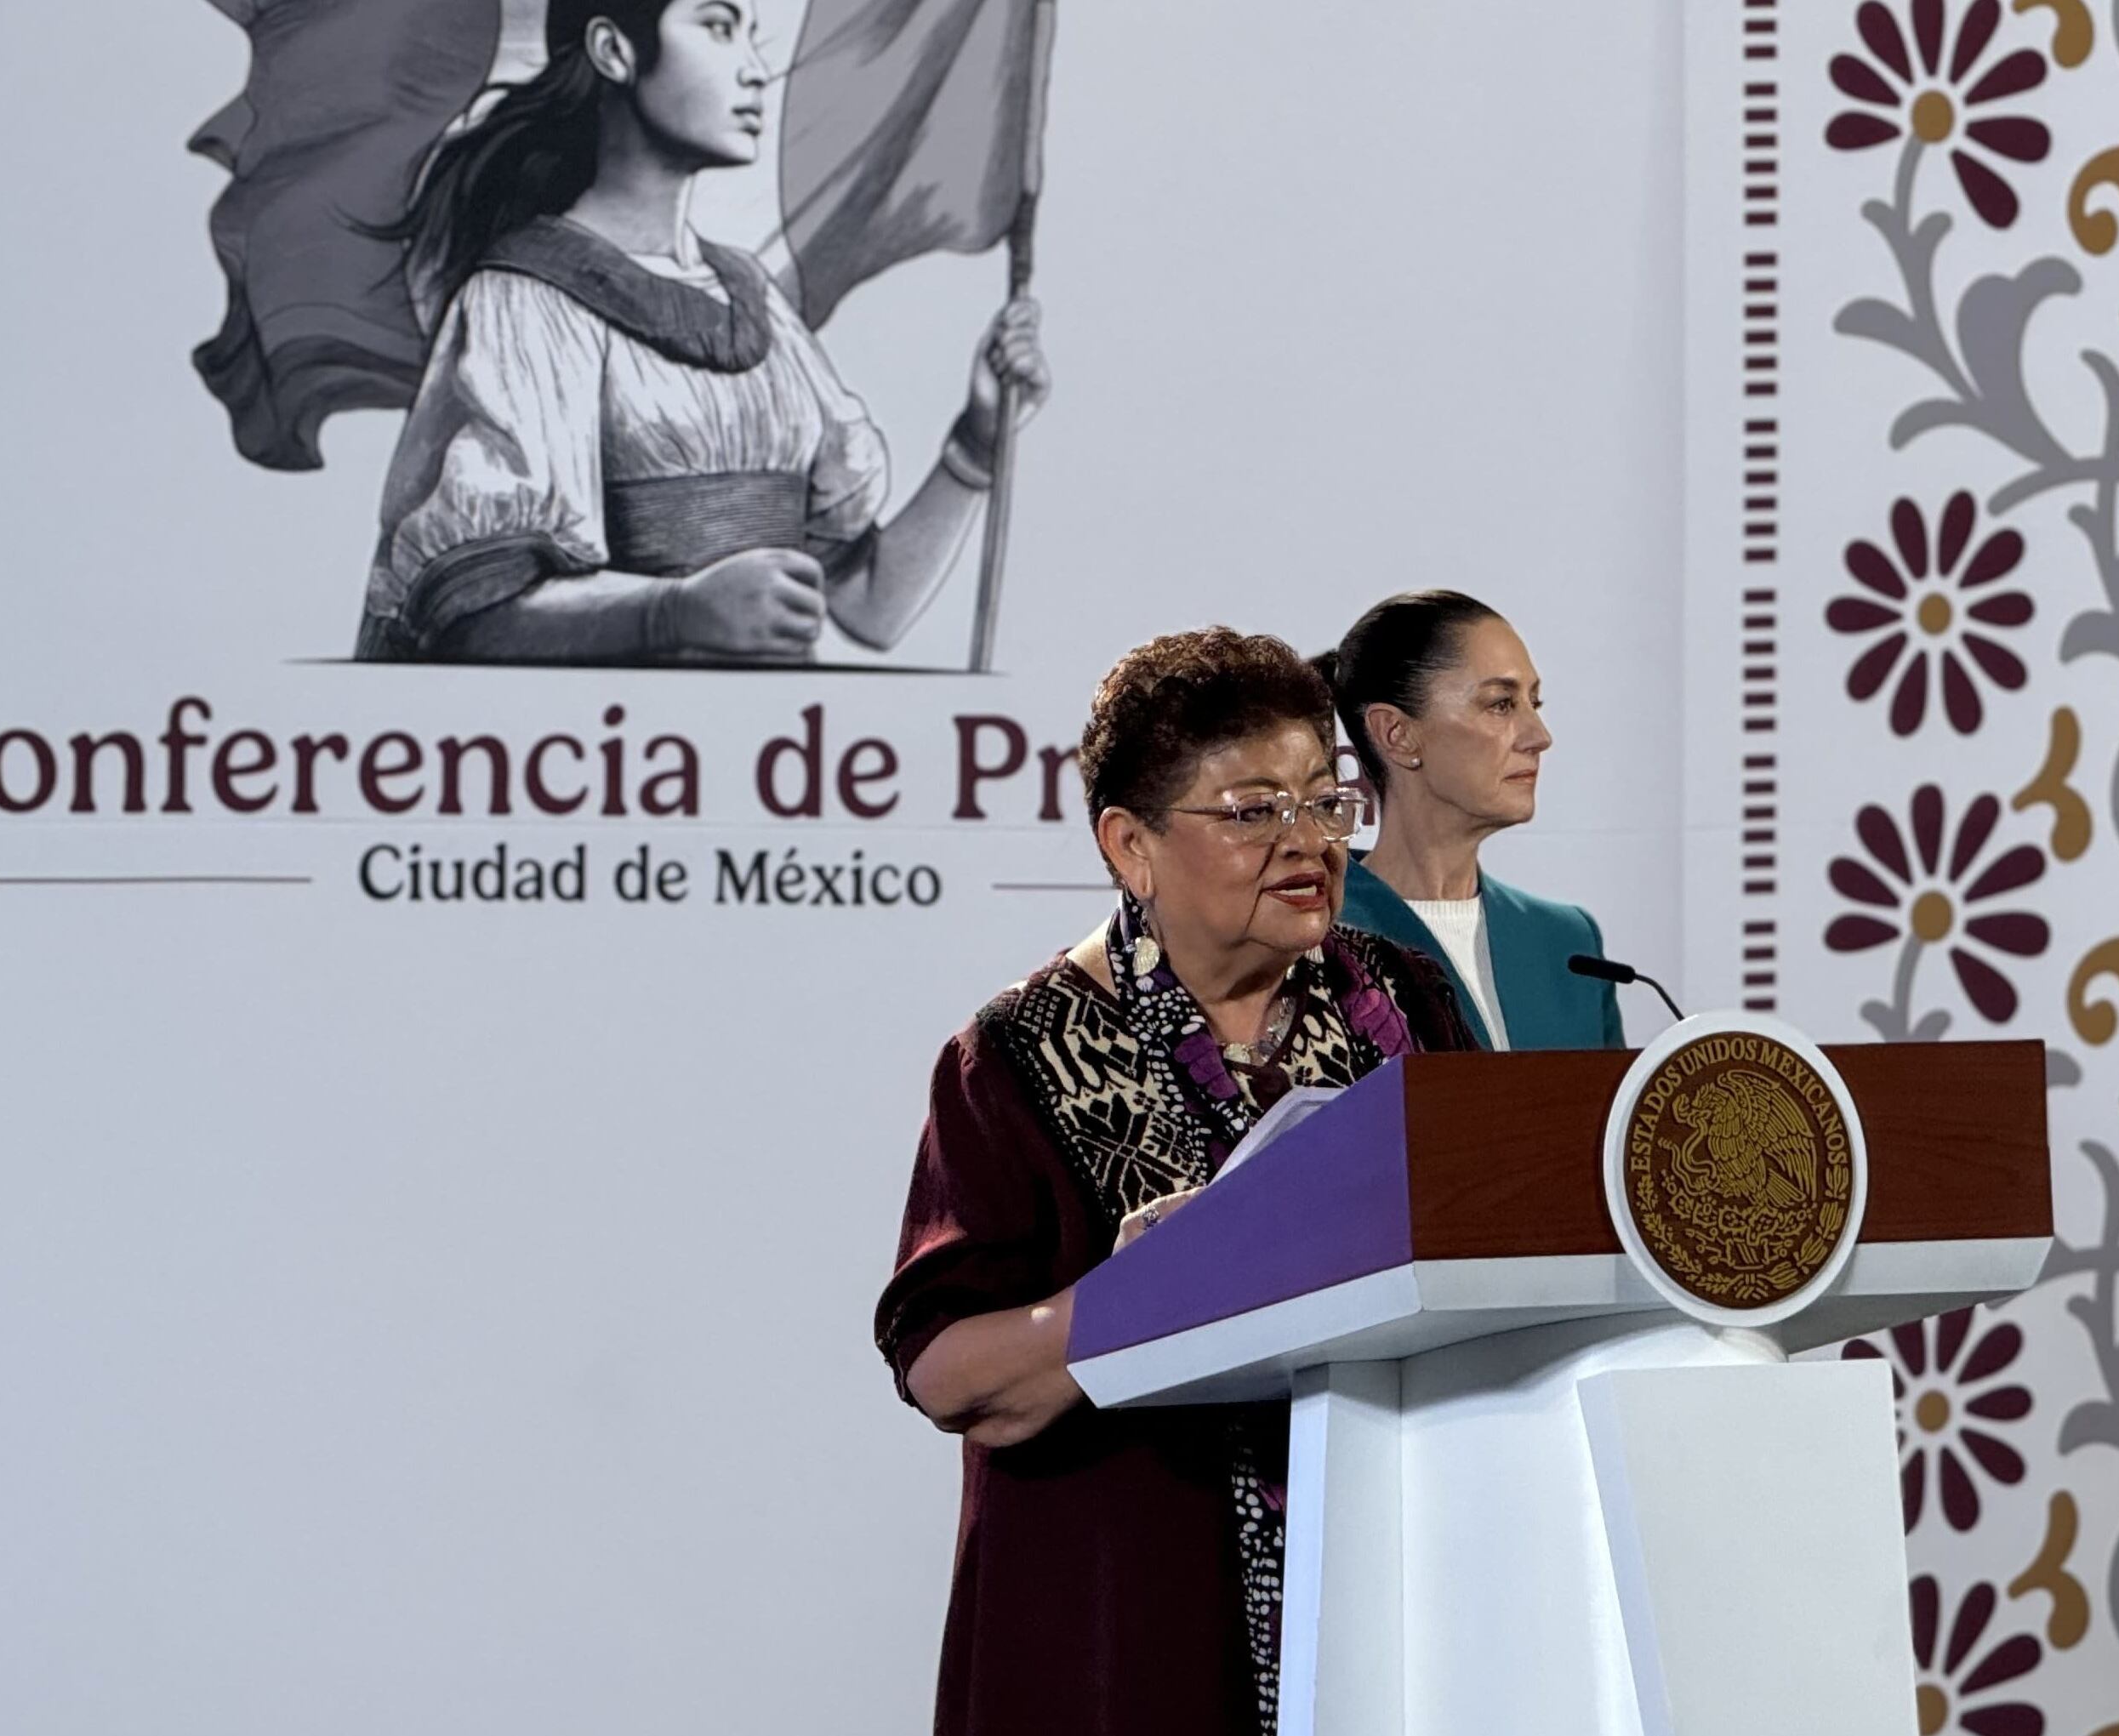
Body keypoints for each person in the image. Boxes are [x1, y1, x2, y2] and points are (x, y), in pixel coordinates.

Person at [875, 629, 1476, 1736]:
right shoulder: (1021, 1053)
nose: (1307, 843)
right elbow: (942, 1366)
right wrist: (1126, 1300)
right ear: (1130, 844)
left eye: (1324, 802)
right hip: (1128, 1634)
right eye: (1253, 811)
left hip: (1394, 1600)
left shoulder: (1403, 1003)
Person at [354, 0, 1051, 663]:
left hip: (778, 763)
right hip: (610, 765)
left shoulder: (759, 308)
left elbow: (871, 606)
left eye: (752, 34)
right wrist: (675, 612)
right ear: (614, 50)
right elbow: (471, 619)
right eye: (718, 28)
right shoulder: (526, 301)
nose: (753, 68)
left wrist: (977, 440)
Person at [1314, 590, 1627, 1050]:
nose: (1540, 738)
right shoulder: (1314, 935)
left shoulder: (1568, 941)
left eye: (1534, 704)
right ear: (1397, 735)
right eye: (1501, 704)